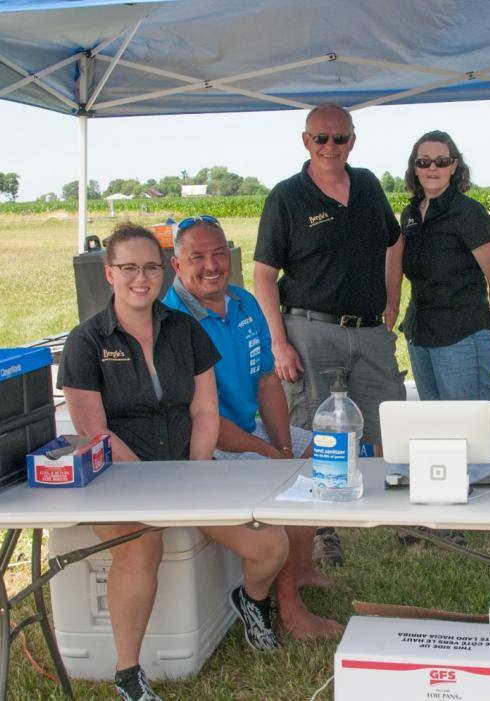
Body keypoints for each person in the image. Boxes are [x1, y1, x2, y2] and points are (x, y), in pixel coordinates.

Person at [58, 223, 290, 701]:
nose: (140, 278)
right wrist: (152, 484)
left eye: (150, 267)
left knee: (271, 544)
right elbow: (95, 430)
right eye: (129, 268)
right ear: (109, 273)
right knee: (142, 547)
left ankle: (251, 600)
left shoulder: (184, 330)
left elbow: (204, 411)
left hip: (188, 471)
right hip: (120, 477)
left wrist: (193, 472)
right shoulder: (87, 341)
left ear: (164, 271)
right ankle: (128, 675)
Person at [162, 214, 343, 640]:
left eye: (219, 254)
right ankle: (290, 613)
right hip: (205, 444)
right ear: (177, 264)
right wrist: (270, 455)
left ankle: (301, 568)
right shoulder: (170, 321)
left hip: (248, 428)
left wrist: (283, 446)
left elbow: (266, 382)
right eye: (197, 257)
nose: (211, 265)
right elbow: (199, 418)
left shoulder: (243, 301)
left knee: (320, 451)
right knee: (282, 483)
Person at [254, 102, 407, 564]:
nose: (330, 146)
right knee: (315, 428)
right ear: (306, 141)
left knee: (389, 421)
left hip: (369, 330)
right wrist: (278, 342)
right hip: (309, 329)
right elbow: (264, 275)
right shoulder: (286, 197)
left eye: (339, 138)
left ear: (352, 141)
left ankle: (403, 513)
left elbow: (394, 239)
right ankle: (322, 528)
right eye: (320, 138)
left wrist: (393, 298)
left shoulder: (368, 185)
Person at [396, 130, 490, 401]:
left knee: (468, 424)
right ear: (415, 168)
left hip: (462, 336)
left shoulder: (468, 213)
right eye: (424, 161)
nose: (432, 168)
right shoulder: (410, 214)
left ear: (454, 166)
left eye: (442, 161)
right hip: (419, 335)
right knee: (436, 424)